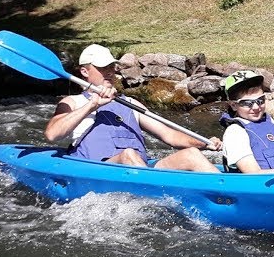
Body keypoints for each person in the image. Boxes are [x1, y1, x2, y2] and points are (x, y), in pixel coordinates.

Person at [45, 44, 221, 171]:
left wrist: (203, 143)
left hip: (139, 169)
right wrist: (92, 105)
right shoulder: (73, 102)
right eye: (102, 67)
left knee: (191, 154)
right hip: (99, 170)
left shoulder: (131, 103)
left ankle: (225, 192)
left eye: (111, 67)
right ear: (84, 72)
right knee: (127, 154)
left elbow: (169, 135)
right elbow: (52, 134)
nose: (109, 72)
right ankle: (157, 192)